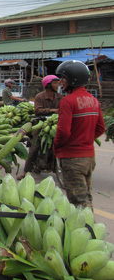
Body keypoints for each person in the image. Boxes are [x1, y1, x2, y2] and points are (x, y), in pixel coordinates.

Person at [53, 60, 105, 207]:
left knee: (78, 201)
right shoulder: (93, 100)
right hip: (89, 157)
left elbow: (63, 131)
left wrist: (57, 147)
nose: (61, 82)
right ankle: (90, 228)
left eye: (63, 78)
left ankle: (87, 229)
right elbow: (101, 128)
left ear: (72, 79)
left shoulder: (68, 101)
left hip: (72, 158)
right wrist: (86, 139)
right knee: (87, 196)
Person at [17, 75, 62, 180]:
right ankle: (25, 171)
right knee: (35, 148)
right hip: (41, 124)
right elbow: (38, 110)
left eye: (57, 83)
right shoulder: (39, 97)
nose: (57, 85)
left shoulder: (60, 97)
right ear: (48, 85)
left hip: (55, 124)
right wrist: (52, 110)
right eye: (55, 83)